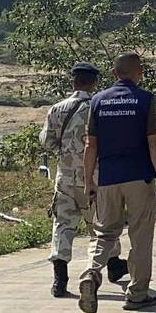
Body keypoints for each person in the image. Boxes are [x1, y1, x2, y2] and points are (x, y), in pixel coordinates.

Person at [78, 53, 156, 313]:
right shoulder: (145, 99)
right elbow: (154, 143)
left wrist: (89, 180)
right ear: (139, 72)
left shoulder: (98, 100)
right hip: (139, 177)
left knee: (104, 232)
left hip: (108, 178)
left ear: (114, 73)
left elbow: (90, 145)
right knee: (140, 235)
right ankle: (138, 294)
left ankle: (91, 272)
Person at [40, 62, 126, 297]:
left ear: (73, 81)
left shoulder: (57, 109)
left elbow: (47, 142)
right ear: (94, 83)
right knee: (103, 225)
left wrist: (66, 152)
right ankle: (112, 265)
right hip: (95, 178)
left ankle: (60, 279)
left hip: (66, 178)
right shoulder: (100, 107)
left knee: (62, 225)